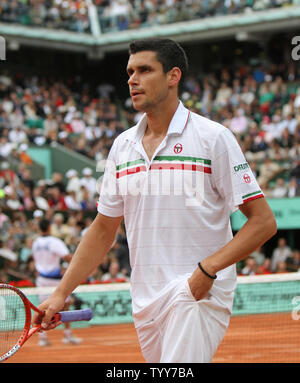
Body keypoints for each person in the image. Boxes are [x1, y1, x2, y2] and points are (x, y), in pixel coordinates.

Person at [33, 38, 277, 363]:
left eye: (145, 70)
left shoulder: (213, 138)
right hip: (145, 299)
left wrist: (207, 270)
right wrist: (61, 293)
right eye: (130, 71)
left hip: (195, 292)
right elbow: (104, 229)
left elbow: (263, 221)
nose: (133, 79)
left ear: (173, 76)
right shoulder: (121, 147)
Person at [32, 218, 82, 346]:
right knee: (65, 305)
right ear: (49, 227)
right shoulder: (54, 242)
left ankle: (42, 338)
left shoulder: (36, 243)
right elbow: (68, 257)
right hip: (55, 280)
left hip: (41, 279)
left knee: (41, 308)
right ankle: (67, 335)